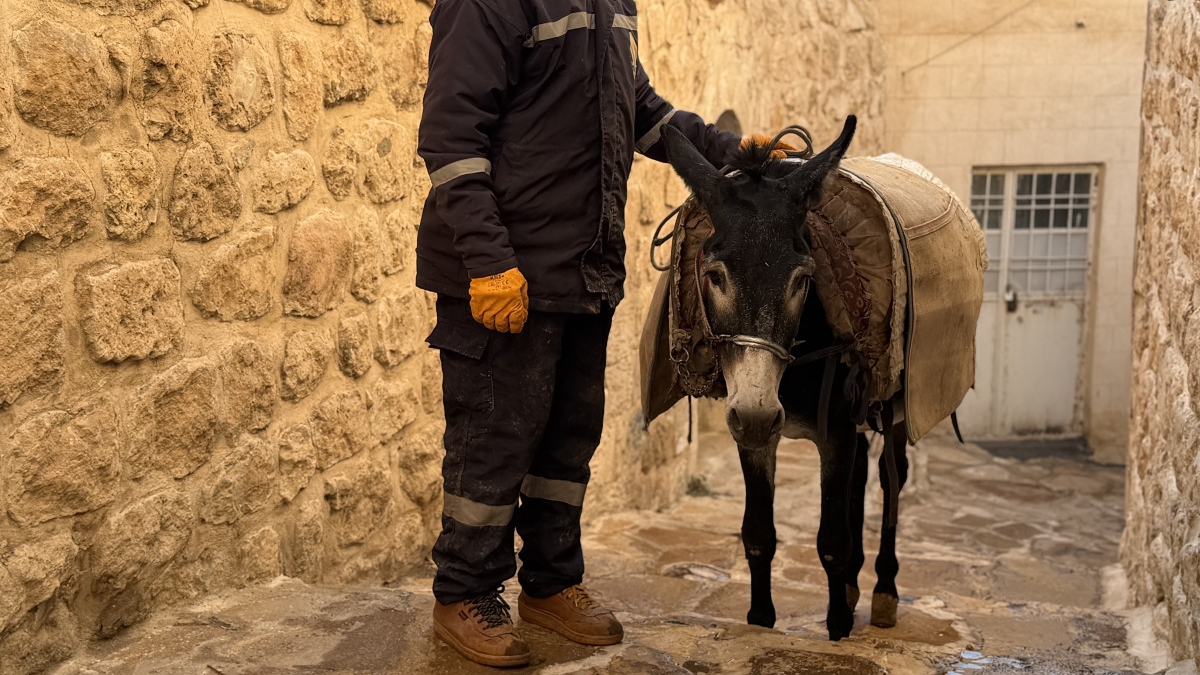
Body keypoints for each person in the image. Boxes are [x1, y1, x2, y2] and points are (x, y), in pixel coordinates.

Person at [416, 0, 785, 666]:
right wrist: (490, 261)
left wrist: (732, 152)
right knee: (493, 441)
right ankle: (464, 591)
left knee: (567, 442)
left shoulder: (612, 5)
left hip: (584, 273)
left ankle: (552, 582)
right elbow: (450, 138)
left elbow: (644, 114)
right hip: (505, 276)